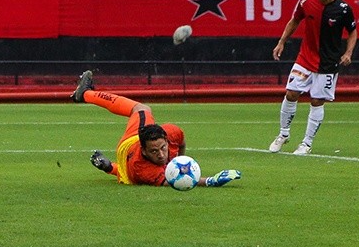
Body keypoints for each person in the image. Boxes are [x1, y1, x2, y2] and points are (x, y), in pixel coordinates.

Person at [70, 70, 242, 186]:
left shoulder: (173, 132)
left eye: (163, 148)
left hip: (130, 163)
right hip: (129, 145)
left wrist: (181, 160)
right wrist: (210, 181)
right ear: (144, 151)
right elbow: (176, 181)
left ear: (167, 140)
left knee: (142, 110)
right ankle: (84, 93)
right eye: (154, 151)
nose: (161, 154)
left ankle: (109, 166)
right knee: (142, 109)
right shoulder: (143, 169)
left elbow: (181, 141)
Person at [268, 0, 358, 155]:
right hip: (305, 58)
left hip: (328, 63)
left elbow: (352, 31)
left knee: (317, 101)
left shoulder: (343, 9)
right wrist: (281, 42)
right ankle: (283, 134)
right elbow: (294, 21)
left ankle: (306, 144)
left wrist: (348, 53)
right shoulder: (306, 2)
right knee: (291, 93)